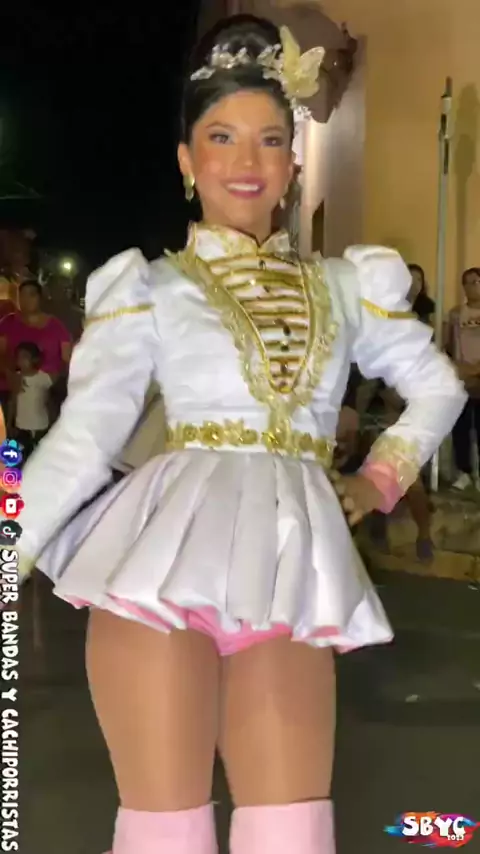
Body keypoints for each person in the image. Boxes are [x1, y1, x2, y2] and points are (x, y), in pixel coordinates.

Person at [16, 16, 465, 854]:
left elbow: (437, 388)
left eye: (270, 139)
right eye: (220, 137)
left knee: (293, 833)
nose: (246, 160)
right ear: (187, 161)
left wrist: (379, 479)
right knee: (165, 832)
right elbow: (84, 437)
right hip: (158, 571)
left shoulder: (346, 285)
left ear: (293, 163)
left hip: (291, 573)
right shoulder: (149, 288)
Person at [0, 279, 72, 422]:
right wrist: (9, 375)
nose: (26, 300)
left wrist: (51, 381)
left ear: (40, 298)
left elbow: (67, 358)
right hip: (11, 389)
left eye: (31, 295)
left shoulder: (56, 326)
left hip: (46, 393)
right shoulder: (8, 323)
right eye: (22, 295)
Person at [447, 267, 480, 490]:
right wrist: (461, 369)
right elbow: (450, 345)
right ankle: (464, 472)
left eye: (476, 282)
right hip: (462, 377)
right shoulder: (456, 314)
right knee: (460, 427)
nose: (472, 287)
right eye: (467, 283)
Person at [7, 342, 52, 461]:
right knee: (18, 458)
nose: (21, 360)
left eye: (25, 357)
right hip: (21, 426)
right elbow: (13, 401)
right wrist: (9, 423)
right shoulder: (16, 378)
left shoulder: (44, 378)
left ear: (35, 359)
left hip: (40, 426)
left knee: (40, 458)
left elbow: (48, 400)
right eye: (18, 357)